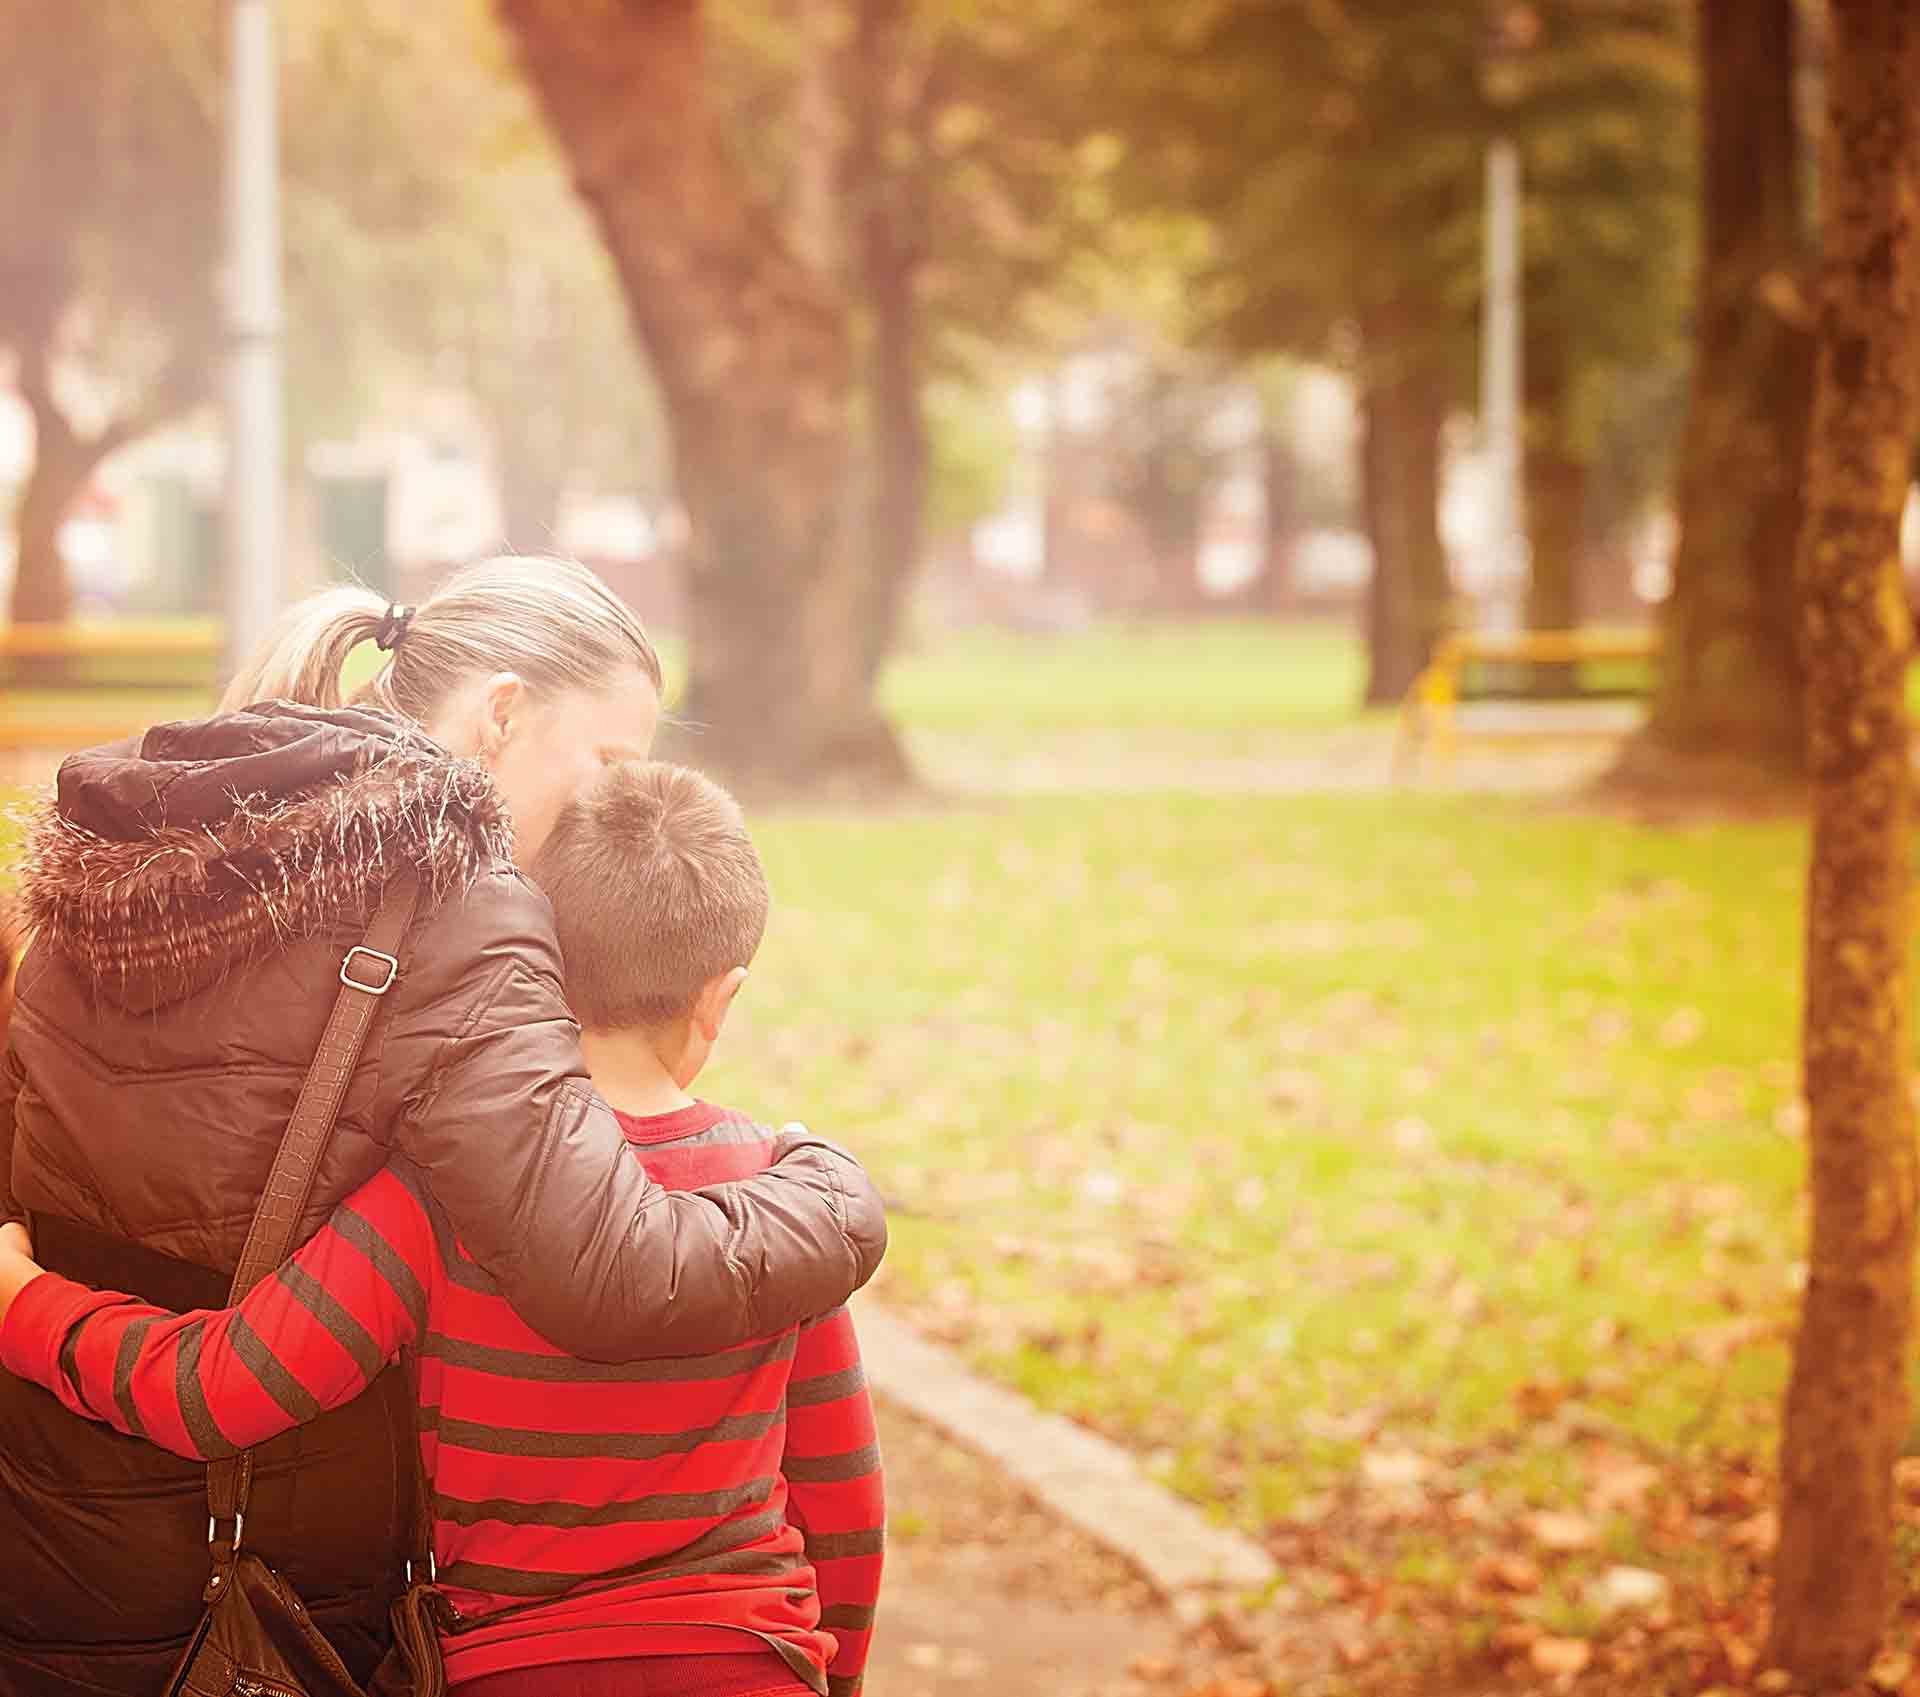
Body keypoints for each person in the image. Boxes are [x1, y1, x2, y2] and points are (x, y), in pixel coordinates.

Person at [0, 559, 886, 1695]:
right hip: (276, 1578)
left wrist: (25, 1303)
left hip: (58, 1508)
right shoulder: (460, 909)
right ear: (504, 712)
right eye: (611, 764)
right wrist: (829, 1192)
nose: (612, 808)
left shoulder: (160, 836)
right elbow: (613, 1269)